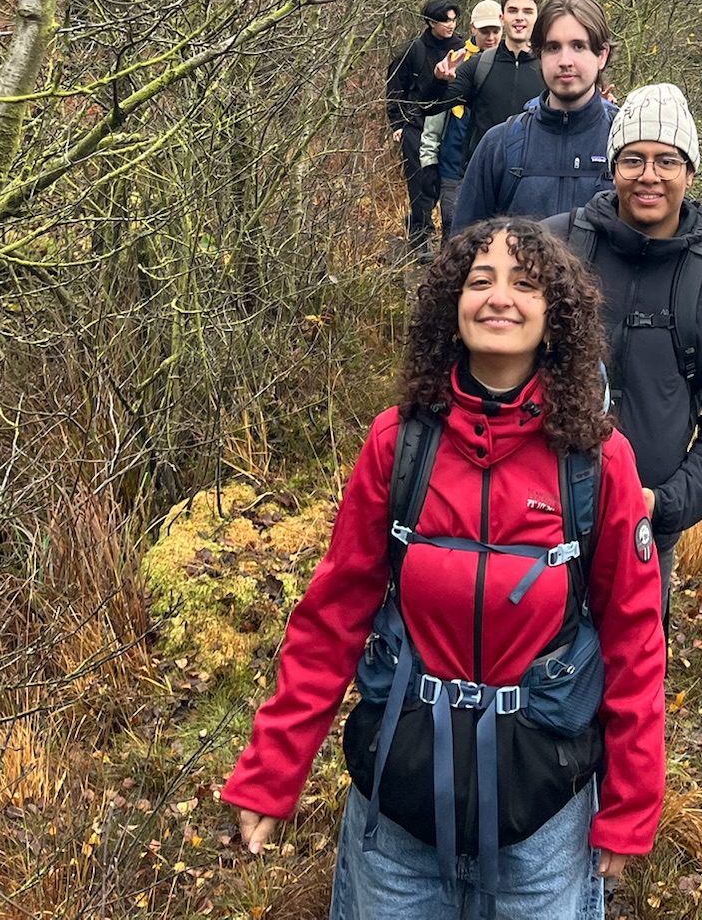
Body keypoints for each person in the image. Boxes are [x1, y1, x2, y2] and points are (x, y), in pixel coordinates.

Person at [222, 217, 666, 918]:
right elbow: (331, 618)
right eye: (479, 280)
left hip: (541, 814)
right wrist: (272, 773)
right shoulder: (399, 444)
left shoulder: (596, 460)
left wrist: (630, 804)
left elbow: (635, 638)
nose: (499, 298)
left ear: (555, 318)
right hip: (398, 811)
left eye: (525, 285)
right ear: (451, 308)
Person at [544, 85, 702, 616]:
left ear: (689, 173)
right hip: (533, 517)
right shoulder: (551, 250)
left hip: (642, 535)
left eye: (667, 160)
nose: (649, 175)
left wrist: (664, 505)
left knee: (630, 684)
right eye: (633, 159)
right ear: (612, 166)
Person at [451, 0, 618, 233]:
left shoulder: (628, 146)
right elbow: (463, 252)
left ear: (601, 55)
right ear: (539, 55)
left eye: (578, 46)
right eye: (553, 48)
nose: (565, 61)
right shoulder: (499, 146)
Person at [433, 0, 545, 163]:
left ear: (537, 19)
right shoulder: (478, 66)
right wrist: (439, 81)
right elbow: (431, 106)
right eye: (513, 10)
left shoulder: (550, 69)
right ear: (502, 18)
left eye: (528, 11)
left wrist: (602, 105)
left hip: (533, 177)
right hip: (483, 176)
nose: (519, 17)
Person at [422, 0, 503, 232]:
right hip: (454, 160)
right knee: (452, 224)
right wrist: (428, 159)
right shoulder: (456, 60)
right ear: (472, 28)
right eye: (484, 31)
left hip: (495, 161)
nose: (490, 37)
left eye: (495, 31)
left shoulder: (512, 64)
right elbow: (434, 113)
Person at [387, 0, 461, 246]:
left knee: (446, 183)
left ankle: (442, 234)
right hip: (416, 124)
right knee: (419, 181)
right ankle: (420, 237)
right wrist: (397, 124)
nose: (450, 25)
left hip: (451, 124)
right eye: (444, 20)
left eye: (453, 20)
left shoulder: (463, 50)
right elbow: (396, 89)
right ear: (431, 22)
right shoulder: (413, 51)